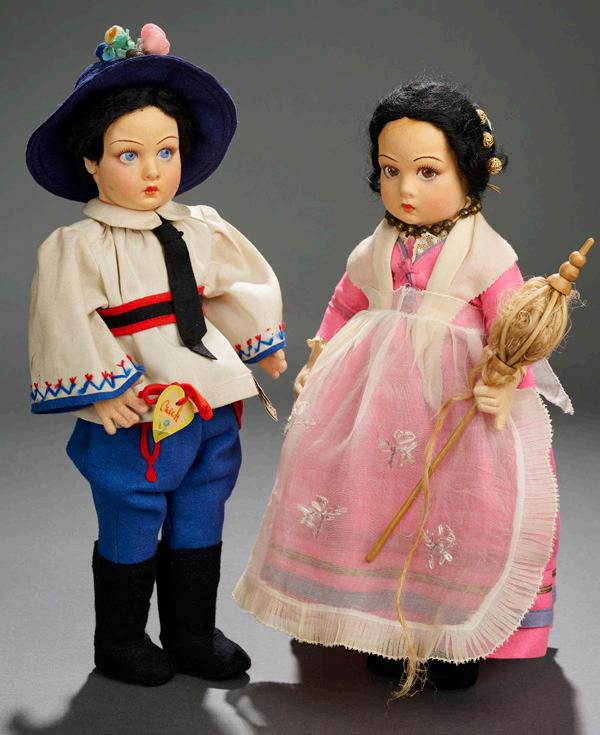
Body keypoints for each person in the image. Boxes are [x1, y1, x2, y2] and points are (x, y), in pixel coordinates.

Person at [235, 79, 566, 691]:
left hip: (454, 404)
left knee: (455, 507)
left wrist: (504, 380)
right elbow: (345, 305)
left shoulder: (488, 257)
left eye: (426, 171)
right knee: (374, 498)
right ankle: (380, 621)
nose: (406, 189)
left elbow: (513, 331)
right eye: (391, 170)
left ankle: (448, 637)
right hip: (373, 406)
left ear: (468, 172)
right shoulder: (375, 249)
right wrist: (320, 356)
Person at [27, 23, 286, 687]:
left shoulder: (200, 229)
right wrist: (102, 389)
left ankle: (191, 634)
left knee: (203, 506)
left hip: (209, 400)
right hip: (140, 405)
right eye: (129, 154)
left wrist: (259, 343)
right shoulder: (78, 247)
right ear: (91, 161)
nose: (152, 171)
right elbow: (64, 320)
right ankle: (120, 640)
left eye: (166, 152)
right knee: (134, 512)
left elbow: (234, 286)